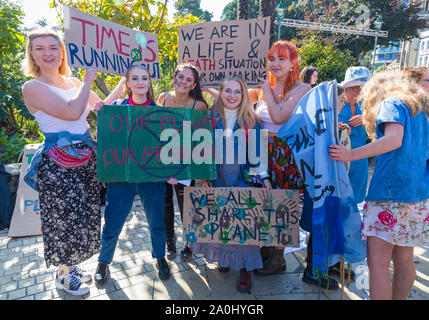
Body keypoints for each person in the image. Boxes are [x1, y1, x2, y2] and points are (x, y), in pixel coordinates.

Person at [21, 27, 125, 296]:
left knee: (82, 217)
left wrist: (122, 84)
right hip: (58, 164)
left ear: (62, 51)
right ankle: (63, 277)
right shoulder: (32, 87)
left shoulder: (72, 82)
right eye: (40, 48)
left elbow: (99, 107)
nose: (48, 53)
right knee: (63, 220)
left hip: (84, 159)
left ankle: (70, 266)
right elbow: (72, 112)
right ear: (31, 53)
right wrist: (88, 80)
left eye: (53, 47)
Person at [329, 71, 429, 300]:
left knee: (379, 264)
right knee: (404, 261)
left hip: (389, 195)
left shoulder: (392, 103)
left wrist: (349, 154)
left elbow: (393, 140)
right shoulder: (422, 111)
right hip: (418, 197)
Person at [190, 76, 272, 292]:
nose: (232, 95)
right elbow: (202, 149)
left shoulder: (251, 120)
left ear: (244, 94)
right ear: (221, 92)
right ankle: (224, 257)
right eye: (228, 91)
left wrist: (264, 177)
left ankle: (245, 268)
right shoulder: (210, 117)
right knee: (222, 219)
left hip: (242, 179)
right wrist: (203, 177)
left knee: (243, 220)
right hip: (217, 178)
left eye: (237, 91)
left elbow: (258, 152)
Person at [94, 65, 173, 284]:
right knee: (113, 221)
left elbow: (169, 145)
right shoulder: (116, 107)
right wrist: (112, 94)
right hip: (122, 176)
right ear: (127, 83)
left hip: (151, 176)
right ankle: (103, 261)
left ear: (149, 82)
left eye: (144, 78)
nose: (140, 82)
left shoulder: (159, 111)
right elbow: (100, 125)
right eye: (134, 78)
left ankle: (160, 257)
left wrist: (173, 170)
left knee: (157, 220)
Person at [248, 40, 311, 275]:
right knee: (264, 202)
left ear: (293, 62)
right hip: (262, 150)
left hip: (286, 153)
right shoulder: (266, 87)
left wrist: (265, 90)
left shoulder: (302, 89)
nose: (275, 63)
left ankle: (277, 259)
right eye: (272, 58)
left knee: (283, 204)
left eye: (281, 58)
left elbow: (280, 116)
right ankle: (265, 249)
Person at [157, 63, 208, 261]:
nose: (183, 82)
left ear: (194, 84)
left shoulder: (199, 106)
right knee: (165, 204)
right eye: (181, 77)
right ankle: (170, 241)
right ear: (174, 77)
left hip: (185, 164)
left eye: (189, 80)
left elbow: (201, 138)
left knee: (186, 204)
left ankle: (190, 242)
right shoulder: (163, 98)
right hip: (161, 161)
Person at [339, 66, 371, 204]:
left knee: (357, 202)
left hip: (361, 161)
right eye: (354, 87)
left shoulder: (367, 107)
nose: (358, 92)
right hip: (340, 161)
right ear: (345, 88)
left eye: (362, 88)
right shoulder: (336, 105)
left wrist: (366, 118)